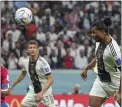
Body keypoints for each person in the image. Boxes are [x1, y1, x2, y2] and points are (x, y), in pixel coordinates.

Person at [80, 17, 121, 107]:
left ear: (103, 32)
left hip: (116, 85)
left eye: (94, 32)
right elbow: (99, 57)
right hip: (101, 82)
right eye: (92, 32)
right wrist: (87, 68)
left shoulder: (114, 50)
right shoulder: (99, 41)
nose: (92, 35)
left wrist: (120, 92)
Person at [11, 40, 55, 107]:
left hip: (45, 92)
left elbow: (51, 79)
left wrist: (41, 93)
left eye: (34, 48)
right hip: (33, 90)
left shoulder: (43, 63)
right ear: (28, 50)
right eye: (30, 48)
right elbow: (22, 74)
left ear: (37, 50)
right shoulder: (25, 62)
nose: (32, 49)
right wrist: (12, 85)